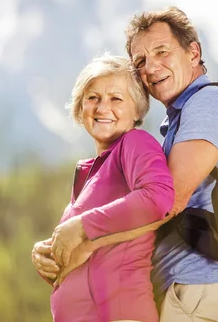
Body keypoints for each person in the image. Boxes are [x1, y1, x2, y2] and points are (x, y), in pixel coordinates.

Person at [35, 7, 218, 322]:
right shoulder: (177, 121)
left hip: (199, 290)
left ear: (193, 52)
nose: (151, 67)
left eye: (161, 52)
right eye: (140, 61)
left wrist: (86, 241)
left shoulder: (209, 104)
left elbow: (167, 201)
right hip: (183, 290)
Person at [32, 54, 175, 322]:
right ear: (79, 108)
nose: (102, 107)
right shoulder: (91, 172)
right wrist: (45, 255)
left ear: (137, 110)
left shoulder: (135, 143)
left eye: (116, 99)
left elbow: (158, 197)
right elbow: (89, 259)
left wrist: (82, 225)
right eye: (93, 97)